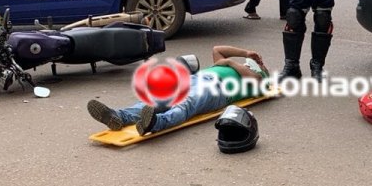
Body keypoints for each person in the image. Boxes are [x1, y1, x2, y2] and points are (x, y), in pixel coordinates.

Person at [88, 46, 268, 136]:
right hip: (196, 79)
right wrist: (246, 53)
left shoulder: (258, 77)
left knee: (186, 104)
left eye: (260, 64)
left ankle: (155, 123)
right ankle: (119, 117)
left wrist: (230, 63)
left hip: (218, 90)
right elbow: (217, 49)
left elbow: (256, 81)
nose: (260, 62)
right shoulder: (239, 65)